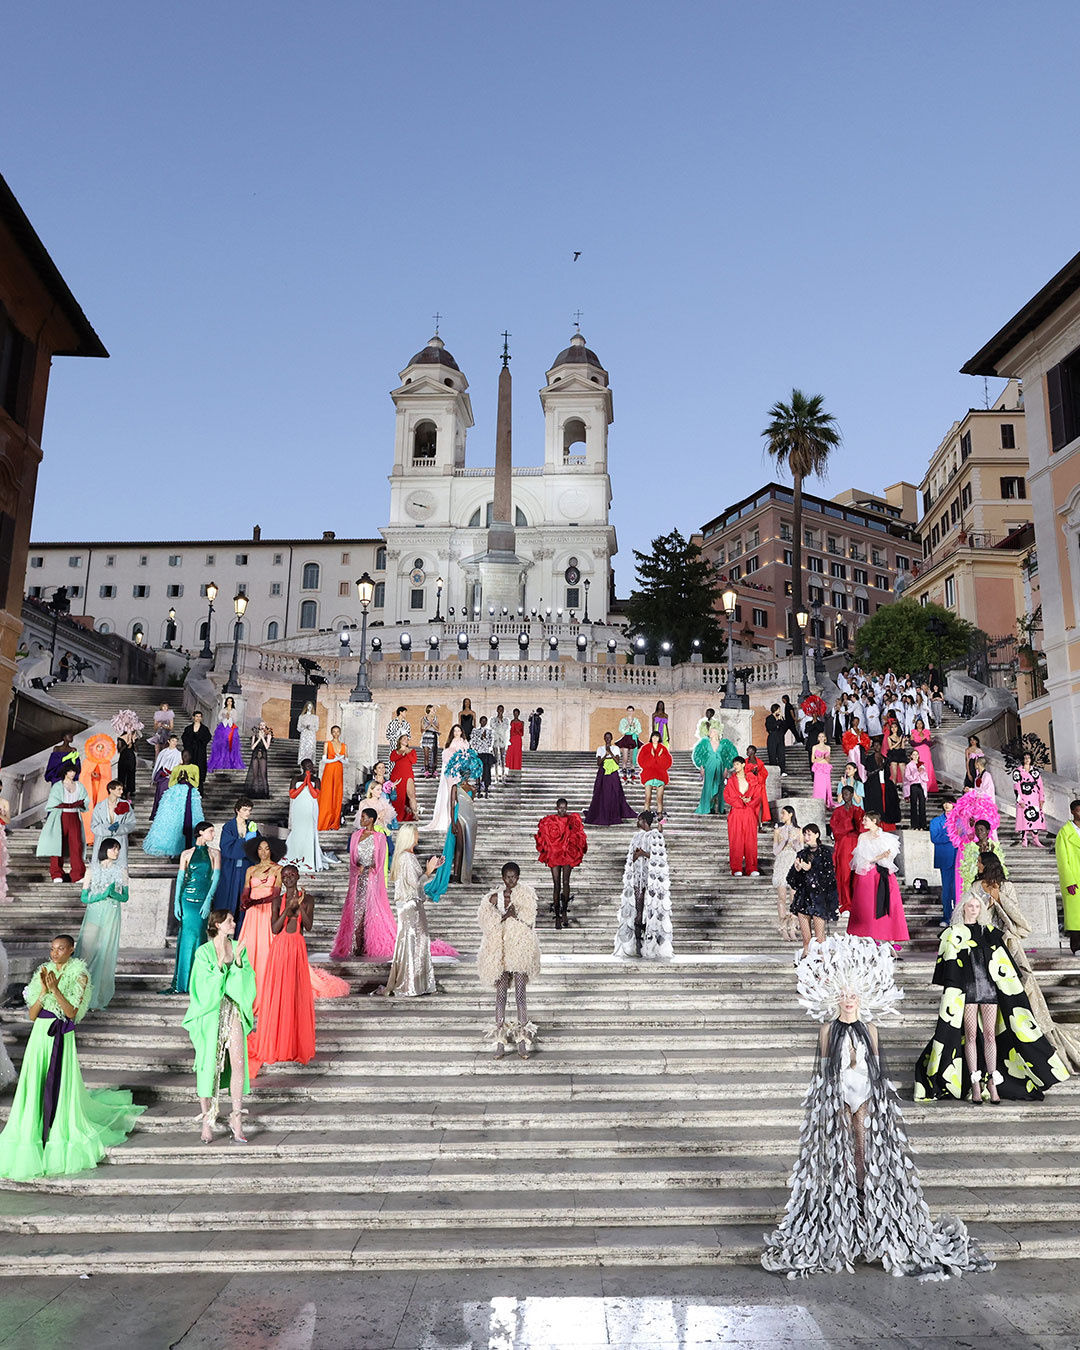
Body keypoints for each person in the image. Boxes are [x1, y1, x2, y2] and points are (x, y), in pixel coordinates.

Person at [762, 936, 993, 1279]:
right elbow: (825, 1070)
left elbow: (877, 1069)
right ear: (836, 999)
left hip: (866, 1097)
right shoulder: (827, 1030)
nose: (849, 1001)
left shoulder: (870, 1029)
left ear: (861, 999)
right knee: (844, 1154)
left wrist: (875, 1104)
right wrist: (829, 1104)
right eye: (844, 997)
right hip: (839, 1097)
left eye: (854, 996)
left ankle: (869, 1209)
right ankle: (846, 1215)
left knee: (865, 1150)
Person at [0, 934, 143, 1179]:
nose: (55, 953)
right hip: (39, 1037)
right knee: (35, 1083)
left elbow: (72, 1012)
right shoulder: (43, 971)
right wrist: (44, 989)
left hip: (60, 1036)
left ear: (71, 950)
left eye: (61, 948)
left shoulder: (80, 975)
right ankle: (33, 1127)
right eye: (52, 949)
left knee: (57, 1085)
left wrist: (55, 989)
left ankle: (56, 1128)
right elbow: (33, 1015)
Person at [914, 891, 1070, 1103]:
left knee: (989, 1035)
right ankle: (975, 1084)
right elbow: (947, 969)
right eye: (970, 906)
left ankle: (992, 1083)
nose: (974, 910)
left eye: (977, 907)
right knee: (970, 1036)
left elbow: (1003, 962)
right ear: (963, 908)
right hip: (966, 991)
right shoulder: (953, 933)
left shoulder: (990, 932)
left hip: (988, 990)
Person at [972, 853, 1080, 1072]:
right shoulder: (975, 886)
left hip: (1006, 944)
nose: (977, 865)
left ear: (988, 865)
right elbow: (973, 912)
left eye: (980, 862)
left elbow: (1017, 917)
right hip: (982, 946)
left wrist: (998, 898)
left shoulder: (1007, 886)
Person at [183, 910, 257, 1143]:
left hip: (232, 1007)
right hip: (209, 1012)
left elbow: (246, 980)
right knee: (209, 1066)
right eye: (229, 921)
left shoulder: (237, 947)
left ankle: (236, 1117)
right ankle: (207, 1120)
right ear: (217, 924)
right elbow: (200, 986)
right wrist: (216, 970)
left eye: (233, 920)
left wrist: (236, 963)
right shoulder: (203, 951)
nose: (234, 923)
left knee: (238, 1062)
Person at [247, 864, 317, 1079]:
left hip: (297, 948)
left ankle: (295, 1044)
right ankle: (278, 1043)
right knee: (280, 994)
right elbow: (275, 928)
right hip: (279, 949)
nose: (288, 879)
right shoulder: (277, 900)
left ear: (297, 876)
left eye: (291, 875)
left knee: (295, 995)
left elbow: (309, 926)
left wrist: (300, 906)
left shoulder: (309, 899)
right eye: (284, 876)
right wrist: (288, 908)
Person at [478, 862, 541, 1059]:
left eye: (514, 877)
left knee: (521, 993)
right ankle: (499, 1040)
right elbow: (485, 920)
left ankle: (522, 1038)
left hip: (519, 949)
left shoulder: (526, 895)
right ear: (502, 877)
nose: (510, 880)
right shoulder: (494, 897)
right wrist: (500, 914)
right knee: (501, 995)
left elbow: (530, 920)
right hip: (500, 951)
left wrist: (516, 914)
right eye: (507, 877)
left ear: (519, 877)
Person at [381, 824, 443, 996]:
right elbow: (415, 883)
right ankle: (410, 984)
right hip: (410, 906)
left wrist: (431, 870)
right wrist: (429, 871)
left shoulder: (407, 856)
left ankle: (416, 983)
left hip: (411, 905)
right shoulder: (406, 857)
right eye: (415, 832)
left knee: (415, 942)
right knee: (413, 942)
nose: (418, 835)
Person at [162, 822, 220, 996]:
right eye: (210, 831)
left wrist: (208, 900)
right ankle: (183, 982)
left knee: (200, 936)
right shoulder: (186, 854)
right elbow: (180, 880)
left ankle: (197, 980)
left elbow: (216, 878)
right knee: (186, 938)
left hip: (203, 899)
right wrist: (176, 903)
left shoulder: (215, 854)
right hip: (187, 900)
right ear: (200, 832)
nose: (213, 834)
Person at [75, 837, 129, 1010]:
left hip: (112, 913)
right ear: (105, 849)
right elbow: (84, 897)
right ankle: (78, 992)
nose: (117, 852)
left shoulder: (122, 870)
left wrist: (113, 895)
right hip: (94, 913)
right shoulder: (91, 870)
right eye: (114, 848)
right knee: (86, 951)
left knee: (106, 954)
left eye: (118, 849)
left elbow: (125, 897)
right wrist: (102, 894)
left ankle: (98, 996)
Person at [613, 811, 673, 960]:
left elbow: (659, 856)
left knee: (651, 909)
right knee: (638, 909)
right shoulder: (636, 836)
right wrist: (635, 855)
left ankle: (651, 944)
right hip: (637, 877)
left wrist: (643, 854)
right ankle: (637, 944)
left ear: (644, 821)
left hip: (652, 879)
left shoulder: (656, 835)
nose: (637, 822)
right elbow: (630, 858)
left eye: (639, 820)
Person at [846, 813, 909, 948]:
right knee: (869, 906)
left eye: (866, 820)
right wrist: (877, 857)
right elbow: (862, 858)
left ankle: (891, 938)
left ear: (874, 821)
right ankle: (872, 936)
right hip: (868, 874)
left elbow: (889, 856)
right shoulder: (863, 837)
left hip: (884, 874)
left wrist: (881, 857)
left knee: (890, 905)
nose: (863, 822)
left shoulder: (887, 837)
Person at [331, 808, 386, 959]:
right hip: (357, 878)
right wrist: (357, 868)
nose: (361, 820)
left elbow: (380, 863)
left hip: (371, 879)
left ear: (371, 820)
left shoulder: (380, 837)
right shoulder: (356, 836)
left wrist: (368, 868)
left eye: (364, 817)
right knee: (355, 911)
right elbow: (352, 859)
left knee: (369, 911)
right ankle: (354, 944)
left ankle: (366, 944)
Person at [236, 835, 285, 1002]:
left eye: (266, 848)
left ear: (272, 850)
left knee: (268, 947)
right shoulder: (251, 870)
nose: (263, 852)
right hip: (253, 914)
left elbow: (276, 895)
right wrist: (244, 902)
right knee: (250, 947)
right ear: (255, 851)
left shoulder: (279, 869)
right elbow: (245, 891)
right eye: (260, 849)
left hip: (268, 912)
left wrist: (256, 901)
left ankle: (268, 986)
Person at [535, 798, 588, 930]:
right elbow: (544, 835)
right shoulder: (550, 821)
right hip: (554, 853)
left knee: (565, 882)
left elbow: (578, 833)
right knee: (556, 884)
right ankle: (558, 915)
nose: (563, 810)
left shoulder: (571, 820)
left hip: (567, 853)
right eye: (560, 807)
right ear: (556, 808)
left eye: (565, 807)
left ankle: (564, 912)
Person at [787, 824, 839, 958]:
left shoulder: (826, 853)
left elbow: (829, 878)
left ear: (817, 834)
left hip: (820, 900)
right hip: (803, 899)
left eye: (809, 834)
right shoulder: (801, 854)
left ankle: (821, 963)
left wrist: (810, 870)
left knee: (820, 939)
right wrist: (797, 871)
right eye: (804, 834)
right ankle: (806, 962)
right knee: (806, 940)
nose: (806, 837)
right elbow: (792, 880)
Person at [141, 752, 202, 857]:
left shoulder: (194, 767)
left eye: (187, 755)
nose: (185, 757)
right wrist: (179, 779)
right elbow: (170, 783)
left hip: (190, 795)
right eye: (184, 756)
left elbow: (196, 783)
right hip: (175, 796)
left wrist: (188, 779)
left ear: (191, 757)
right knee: (174, 820)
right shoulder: (176, 768)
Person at [36, 766, 89, 883]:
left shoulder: (79, 785)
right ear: (65, 772)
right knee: (56, 845)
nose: (72, 773)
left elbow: (85, 800)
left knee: (77, 846)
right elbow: (53, 802)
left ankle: (78, 874)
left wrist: (78, 804)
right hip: (61, 816)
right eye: (70, 771)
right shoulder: (58, 786)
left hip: (74, 816)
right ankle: (56, 874)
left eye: (74, 771)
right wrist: (69, 805)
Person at [217, 798, 258, 931]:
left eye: (249, 810)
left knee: (244, 900)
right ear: (237, 810)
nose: (247, 813)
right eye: (245, 810)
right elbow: (226, 847)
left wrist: (252, 841)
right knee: (228, 898)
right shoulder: (229, 827)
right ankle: (224, 931)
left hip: (246, 868)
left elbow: (257, 846)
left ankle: (242, 933)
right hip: (231, 869)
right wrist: (245, 842)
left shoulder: (251, 825)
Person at [584, 732, 636, 826]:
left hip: (612, 772)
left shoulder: (615, 748)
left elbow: (617, 761)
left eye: (609, 738)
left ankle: (614, 814)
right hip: (603, 771)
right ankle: (601, 812)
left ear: (611, 739)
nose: (608, 739)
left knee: (614, 792)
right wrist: (605, 754)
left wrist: (610, 752)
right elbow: (599, 762)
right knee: (601, 792)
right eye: (606, 738)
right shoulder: (600, 748)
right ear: (604, 738)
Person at [286, 761, 328, 873]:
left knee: (309, 830)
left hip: (310, 806)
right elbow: (292, 795)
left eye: (311, 765)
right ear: (302, 767)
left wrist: (309, 782)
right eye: (307, 765)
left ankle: (309, 858)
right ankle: (296, 856)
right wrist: (303, 783)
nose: (310, 767)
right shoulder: (296, 779)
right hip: (299, 806)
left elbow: (315, 795)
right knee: (298, 830)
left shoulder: (316, 780)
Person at [828, 786, 864, 916]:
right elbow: (835, 829)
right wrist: (849, 826)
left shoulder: (858, 810)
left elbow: (862, 828)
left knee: (857, 875)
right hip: (843, 845)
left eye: (847, 793)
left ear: (852, 794)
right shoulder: (837, 811)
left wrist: (856, 821)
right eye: (843, 794)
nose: (845, 796)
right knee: (844, 874)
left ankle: (857, 903)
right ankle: (846, 902)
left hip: (856, 845)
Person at [724, 757, 759, 878]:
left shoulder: (752, 779)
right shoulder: (731, 780)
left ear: (743, 765)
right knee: (736, 840)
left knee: (751, 840)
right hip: (736, 812)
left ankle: (752, 867)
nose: (736, 767)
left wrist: (749, 800)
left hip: (749, 812)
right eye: (734, 765)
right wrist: (739, 801)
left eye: (738, 764)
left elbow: (758, 795)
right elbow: (727, 796)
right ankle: (736, 868)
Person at [90, 779, 136, 871]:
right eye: (119, 789)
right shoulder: (99, 806)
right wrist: (108, 829)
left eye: (122, 789)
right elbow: (94, 826)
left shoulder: (125, 804)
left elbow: (132, 824)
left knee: (120, 868)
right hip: (103, 840)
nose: (122, 791)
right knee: (101, 866)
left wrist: (119, 828)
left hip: (119, 840)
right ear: (111, 790)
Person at [428, 725, 468, 833]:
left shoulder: (464, 742)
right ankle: (449, 820)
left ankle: (458, 819)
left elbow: (466, 756)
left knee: (458, 795)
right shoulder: (449, 742)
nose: (457, 732)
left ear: (461, 732)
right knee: (450, 794)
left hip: (459, 771)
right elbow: (445, 757)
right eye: (455, 731)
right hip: (450, 771)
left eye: (459, 730)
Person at [772, 805, 803, 938]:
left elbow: (801, 851)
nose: (781, 816)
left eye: (783, 813)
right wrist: (784, 841)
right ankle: (783, 927)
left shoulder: (799, 830)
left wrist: (795, 842)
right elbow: (775, 851)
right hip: (781, 862)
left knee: (794, 897)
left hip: (793, 862)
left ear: (790, 814)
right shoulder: (778, 831)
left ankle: (793, 926)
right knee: (781, 897)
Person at [692, 723, 736, 816]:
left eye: (714, 731)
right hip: (709, 766)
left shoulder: (724, 743)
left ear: (717, 732)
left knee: (719, 786)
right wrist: (701, 766)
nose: (712, 733)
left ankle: (718, 808)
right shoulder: (705, 742)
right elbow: (698, 754)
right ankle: (707, 807)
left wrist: (726, 768)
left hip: (720, 766)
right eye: (711, 731)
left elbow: (729, 755)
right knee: (708, 786)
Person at [930, 796, 959, 926]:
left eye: (949, 803)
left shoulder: (960, 820)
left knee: (958, 888)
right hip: (945, 858)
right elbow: (934, 838)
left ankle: (958, 917)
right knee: (947, 889)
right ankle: (946, 917)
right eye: (945, 803)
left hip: (960, 858)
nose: (947, 805)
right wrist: (951, 833)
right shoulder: (936, 821)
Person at [1057, 799, 1080, 954]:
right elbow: (1062, 860)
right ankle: (1077, 946)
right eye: (1079, 810)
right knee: (1075, 915)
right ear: (1072, 811)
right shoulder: (1064, 832)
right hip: (1074, 877)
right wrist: (1069, 881)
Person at [862, 744, 901, 829]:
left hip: (885, 784)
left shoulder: (885, 758)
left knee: (886, 803)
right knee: (877, 803)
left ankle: (886, 821)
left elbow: (888, 773)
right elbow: (868, 773)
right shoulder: (869, 759)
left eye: (878, 745)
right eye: (875, 745)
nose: (877, 747)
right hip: (873, 785)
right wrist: (878, 769)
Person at [316, 725, 347, 830]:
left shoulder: (344, 745)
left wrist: (341, 759)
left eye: (337, 731)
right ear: (331, 732)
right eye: (334, 731)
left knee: (337, 795)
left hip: (339, 770)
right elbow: (324, 759)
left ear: (340, 732)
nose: (336, 733)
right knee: (327, 794)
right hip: (329, 769)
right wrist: (335, 759)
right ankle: (324, 821)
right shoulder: (327, 744)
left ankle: (334, 822)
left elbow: (346, 761)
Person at [1011, 753, 1045, 847]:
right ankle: (1024, 838)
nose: (1027, 760)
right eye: (1025, 758)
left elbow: (1040, 785)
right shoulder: (1017, 771)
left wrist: (1041, 798)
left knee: (1035, 818)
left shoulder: (1035, 771)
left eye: (1028, 758)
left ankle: (1036, 839)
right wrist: (1019, 800)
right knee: (1023, 818)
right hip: (1024, 797)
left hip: (1034, 797)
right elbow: (1016, 786)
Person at [637, 730, 673, 818]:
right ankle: (646, 817)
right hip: (648, 775)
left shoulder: (663, 748)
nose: (655, 738)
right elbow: (641, 760)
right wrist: (652, 757)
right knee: (647, 798)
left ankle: (660, 820)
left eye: (656, 737)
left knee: (660, 799)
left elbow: (668, 762)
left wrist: (660, 757)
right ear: (651, 738)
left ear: (659, 738)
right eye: (653, 737)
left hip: (660, 775)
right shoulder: (645, 747)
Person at [208, 695, 245, 773]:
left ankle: (231, 761)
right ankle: (220, 761)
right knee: (222, 744)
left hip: (231, 728)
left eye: (231, 701)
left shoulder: (234, 711)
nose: (229, 702)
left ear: (232, 702)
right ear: (226, 702)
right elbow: (219, 718)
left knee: (231, 744)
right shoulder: (223, 710)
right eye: (228, 701)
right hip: (223, 728)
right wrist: (225, 717)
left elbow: (236, 719)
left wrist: (230, 717)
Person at [150, 733, 182, 819]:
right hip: (162, 777)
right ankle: (158, 815)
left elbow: (179, 766)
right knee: (160, 796)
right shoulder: (163, 753)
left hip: (172, 778)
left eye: (176, 741)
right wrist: (153, 778)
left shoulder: (178, 754)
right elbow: (158, 765)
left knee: (170, 797)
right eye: (173, 741)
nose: (174, 743)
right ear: (169, 741)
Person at [243, 721, 273, 800]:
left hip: (263, 755)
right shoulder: (254, 735)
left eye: (264, 725)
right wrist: (258, 738)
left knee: (263, 775)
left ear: (265, 726)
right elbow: (252, 747)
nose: (262, 726)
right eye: (261, 725)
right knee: (255, 775)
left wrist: (262, 738)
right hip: (255, 755)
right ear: (259, 726)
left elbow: (267, 747)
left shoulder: (268, 735)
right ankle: (255, 792)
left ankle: (265, 793)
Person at [182, 710, 211, 787]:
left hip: (200, 752)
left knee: (200, 768)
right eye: (196, 716)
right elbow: (184, 738)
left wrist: (200, 743)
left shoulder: (205, 729)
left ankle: (199, 788)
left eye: (199, 717)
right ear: (193, 717)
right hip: (190, 751)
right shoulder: (188, 728)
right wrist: (188, 746)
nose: (198, 718)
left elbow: (207, 738)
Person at [903, 749, 929, 830]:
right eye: (913, 754)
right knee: (913, 805)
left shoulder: (922, 765)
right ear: (911, 756)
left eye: (916, 754)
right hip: (913, 786)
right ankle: (914, 825)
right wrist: (917, 773)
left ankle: (923, 825)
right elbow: (908, 776)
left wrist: (921, 772)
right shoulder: (909, 765)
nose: (915, 756)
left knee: (922, 805)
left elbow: (925, 777)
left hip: (921, 785)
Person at [910, 717, 938, 794]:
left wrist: (925, 741)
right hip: (918, 752)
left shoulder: (926, 732)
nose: (919, 725)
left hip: (926, 751)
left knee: (928, 766)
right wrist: (922, 742)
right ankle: (919, 785)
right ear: (915, 725)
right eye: (917, 723)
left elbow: (930, 743)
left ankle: (929, 785)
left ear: (923, 724)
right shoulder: (913, 732)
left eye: (920, 723)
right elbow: (912, 743)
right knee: (918, 767)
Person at [471, 717, 495, 797]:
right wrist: (480, 738)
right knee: (478, 770)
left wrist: (485, 738)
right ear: (480, 721)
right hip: (478, 753)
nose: (483, 722)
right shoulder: (475, 731)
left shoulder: (490, 731)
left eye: (485, 721)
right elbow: (473, 742)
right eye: (482, 721)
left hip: (486, 753)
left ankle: (486, 788)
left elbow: (490, 743)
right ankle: (478, 788)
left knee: (486, 770)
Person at [616, 706, 643, 781]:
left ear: (633, 712)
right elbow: (621, 730)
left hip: (633, 738)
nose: (630, 712)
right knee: (625, 758)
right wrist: (627, 727)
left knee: (632, 758)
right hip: (626, 738)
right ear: (627, 711)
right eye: (629, 711)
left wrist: (634, 728)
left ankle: (632, 774)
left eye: (631, 711)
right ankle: (624, 773)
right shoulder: (623, 720)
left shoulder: (636, 720)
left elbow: (639, 730)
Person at [810, 732, 833, 807]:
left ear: (825, 738)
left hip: (825, 768)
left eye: (822, 736)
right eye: (819, 736)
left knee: (826, 785)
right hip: (818, 768)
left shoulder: (828, 748)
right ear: (818, 738)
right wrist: (821, 759)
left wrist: (821, 759)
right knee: (818, 785)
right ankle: (818, 800)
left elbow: (828, 760)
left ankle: (826, 801)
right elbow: (813, 760)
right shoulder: (815, 747)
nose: (821, 738)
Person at [764, 703, 787, 775]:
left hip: (780, 738)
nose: (780, 711)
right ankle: (774, 771)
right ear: (776, 710)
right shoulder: (769, 718)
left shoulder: (781, 718)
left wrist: (781, 720)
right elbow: (770, 728)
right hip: (772, 738)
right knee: (772, 754)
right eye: (779, 709)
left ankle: (782, 770)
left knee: (781, 754)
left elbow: (784, 728)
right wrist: (778, 721)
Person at [490, 705, 510, 782]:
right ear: (497, 710)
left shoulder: (506, 720)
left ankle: (503, 774)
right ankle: (496, 775)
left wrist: (500, 722)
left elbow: (505, 728)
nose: (500, 711)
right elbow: (493, 727)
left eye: (502, 710)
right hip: (495, 739)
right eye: (499, 710)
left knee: (502, 757)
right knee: (496, 758)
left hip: (502, 740)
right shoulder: (493, 719)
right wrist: (498, 723)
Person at [420, 705, 440, 778]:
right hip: (426, 737)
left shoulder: (436, 718)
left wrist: (432, 725)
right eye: (432, 709)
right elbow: (422, 730)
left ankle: (434, 771)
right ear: (429, 709)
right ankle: (426, 771)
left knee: (435, 755)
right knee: (426, 755)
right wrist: (429, 726)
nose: (434, 710)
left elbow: (438, 728)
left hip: (434, 736)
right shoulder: (423, 718)